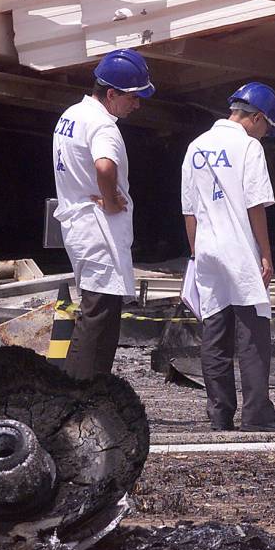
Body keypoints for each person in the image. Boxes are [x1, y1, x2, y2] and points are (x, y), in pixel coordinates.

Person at [181, 82, 275, 432]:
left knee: (214, 330)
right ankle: (256, 412)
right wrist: (264, 252)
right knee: (252, 331)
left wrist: (196, 252)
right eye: (266, 128)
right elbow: (254, 204)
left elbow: (190, 210)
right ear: (257, 118)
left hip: (207, 247)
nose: (264, 135)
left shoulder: (196, 146)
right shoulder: (248, 148)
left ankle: (220, 413)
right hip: (239, 247)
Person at [52, 49, 154, 379]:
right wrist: (110, 200)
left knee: (96, 312)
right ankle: (82, 392)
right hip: (98, 229)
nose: (137, 105)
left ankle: (84, 388)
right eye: (133, 97)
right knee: (98, 317)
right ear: (111, 94)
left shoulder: (71, 115)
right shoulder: (103, 126)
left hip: (78, 224)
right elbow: (104, 166)